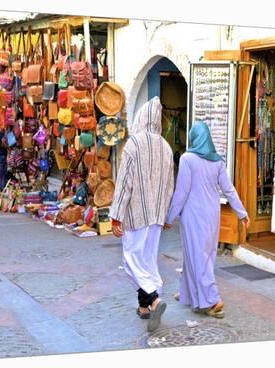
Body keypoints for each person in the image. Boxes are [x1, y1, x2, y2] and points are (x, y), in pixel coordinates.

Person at [164, 121, 250, 319]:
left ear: (194, 138)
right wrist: (242, 213)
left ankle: (212, 300)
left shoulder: (187, 159)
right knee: (202, 255)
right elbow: (228, 189)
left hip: (193, 216)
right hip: (212, 215)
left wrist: (170, 217)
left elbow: (182, 192)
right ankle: (187, 293)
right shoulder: (217, 161)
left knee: (198, 257)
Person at [109, 97, 174, 332]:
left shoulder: (134, 144)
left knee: (131, 260)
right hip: (156, 215)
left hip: (136, 214)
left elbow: (125, 182)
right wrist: (166, 215)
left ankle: (154, 299)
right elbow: (169, 186)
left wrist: (116, 215)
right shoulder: (166, 146)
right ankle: (144, 307)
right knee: (146, 259)